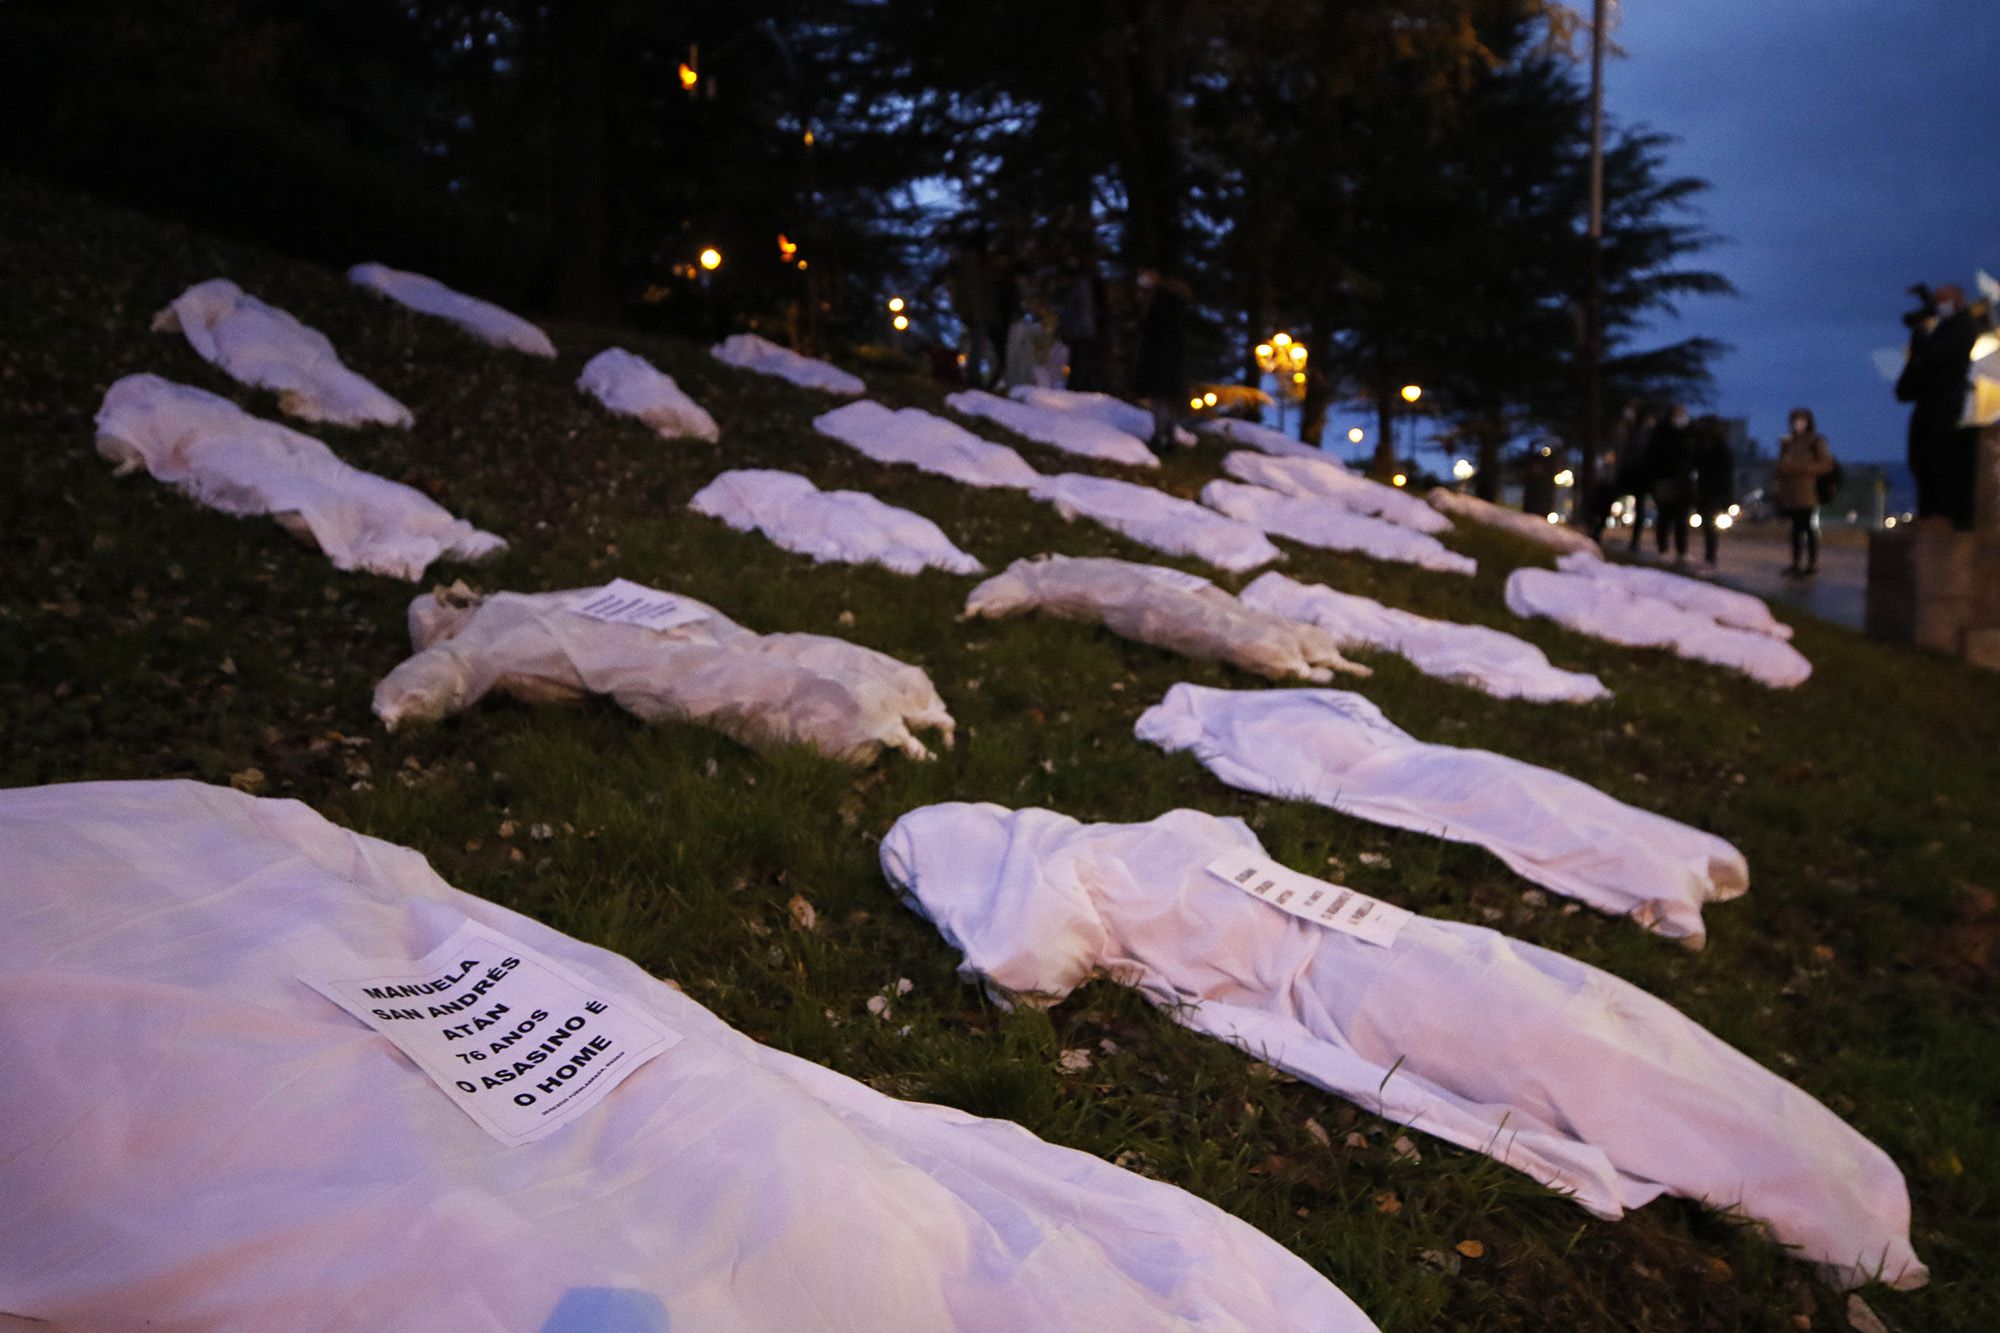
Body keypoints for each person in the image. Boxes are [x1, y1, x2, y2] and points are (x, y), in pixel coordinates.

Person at [1895, 282, 1980, 527]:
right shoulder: (1944, 325)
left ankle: (1939, 514)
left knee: (1936, 458)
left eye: (1942, 300)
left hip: (1945, 403)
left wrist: (1921, 334)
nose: (1938, 306)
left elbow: (1937, 354)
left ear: (1957, 301)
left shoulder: (1963, 327)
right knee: (1920, 458)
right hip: (1928, 401)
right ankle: (1928, 512)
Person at [1132, 268, 1190, 453]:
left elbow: (1153, 328)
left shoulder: (1159, 302)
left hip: (1159, 358)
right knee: (1167, 400)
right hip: (1171, 358)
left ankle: (1159, 438)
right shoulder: (1174, 302)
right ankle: (1169, 438)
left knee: (1159, 399)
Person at [1772, 407, 1835, 577]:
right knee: (1795, 529)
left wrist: (1799, 468)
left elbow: (1826, 465)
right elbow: (1780, 468)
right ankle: (1796, 563)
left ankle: (1811, 564)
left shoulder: (1816, 441)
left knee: (1808, 528)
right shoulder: (1789, 442)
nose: (1798, 425)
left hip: (1808, 492)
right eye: (1795, 422)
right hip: (1790, 493)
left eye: (1801, 422)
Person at [1643, 404, 1696, 562]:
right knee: (1665, 516)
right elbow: (1652, 457)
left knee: (1681, 518)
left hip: (1683, 482)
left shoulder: (1689, 433)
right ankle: (1663, 549)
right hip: (1665, 480)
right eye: (1678, 413)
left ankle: (1682, 551)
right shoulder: (1661, 433)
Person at [1690, 415, 1735, 566]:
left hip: (1714, 493)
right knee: (1708, 527)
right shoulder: (1702, 446)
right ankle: (1709, 559)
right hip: (1706, 491)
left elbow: (1726, 474)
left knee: (1710, 527)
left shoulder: (1719, 448)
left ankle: (1710, 559)